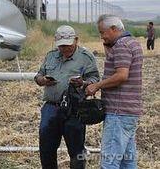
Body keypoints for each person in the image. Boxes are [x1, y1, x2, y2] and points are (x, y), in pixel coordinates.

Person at [34, 25, 100, 169]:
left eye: (68, 45)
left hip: (75, 109)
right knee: (46, 148)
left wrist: (82, 83)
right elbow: (38, 76)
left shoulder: (85, 57)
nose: (65, 49)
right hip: (51, 108)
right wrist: (44, 80)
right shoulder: (51, 56)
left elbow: (95, 79)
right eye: (61, 46)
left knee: (76, 150)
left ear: (76, 40)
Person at [86, 15, 143, 169]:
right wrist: (109, 47)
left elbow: (121, 75)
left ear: (113, 29)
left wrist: (98, 85)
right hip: (129, 112)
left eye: (102, 32)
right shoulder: (132, 43)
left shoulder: (121, 46)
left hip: (118, 112)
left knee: (109, 162)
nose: (101, 36)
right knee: (127, 161)